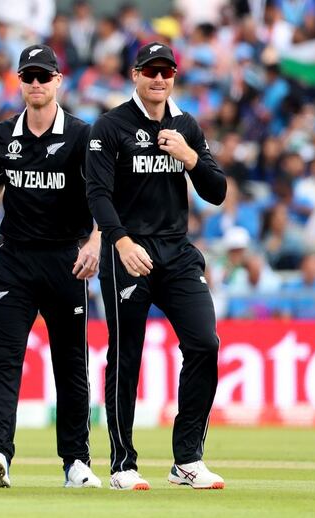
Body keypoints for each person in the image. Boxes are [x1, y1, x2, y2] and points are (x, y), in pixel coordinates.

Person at [86, 42, 227, 491]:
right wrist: (121, 241)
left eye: (166, 71)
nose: (159, 79)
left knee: (204, 343)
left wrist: (190, 158)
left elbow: (217, 192)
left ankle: (187, 459)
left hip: (176, 250)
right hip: (128, 251)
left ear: (174, 76)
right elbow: (97, 195)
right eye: (150, 71)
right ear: (135, 75)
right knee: (126, 357)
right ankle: (122, 464)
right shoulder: (110, 126)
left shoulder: (186, 126)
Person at [0, 44, 102, 489]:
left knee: (70, 364)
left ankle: (76, 463)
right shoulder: (3, 135)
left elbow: (105, 196)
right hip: (15, 260)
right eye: (29, 77)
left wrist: (97, 240)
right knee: (5, 360)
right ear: (19, 82)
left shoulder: (82, 135)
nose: (36, 85)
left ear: (58, 81)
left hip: (67, 260)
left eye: (44, 77)